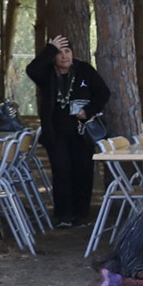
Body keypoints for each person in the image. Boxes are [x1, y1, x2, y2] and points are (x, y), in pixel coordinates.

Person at [24, 34, 112, 227]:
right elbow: (31, 70)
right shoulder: (47, 74)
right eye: (59, 53)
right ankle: (63, 215)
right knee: (61, 172)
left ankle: (81, 215)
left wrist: (88, 111)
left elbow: (103, 92)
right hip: (56, 134)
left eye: (67, 51)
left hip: (82, 132)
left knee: (83, 171)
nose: (64, 56)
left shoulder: (84, 70)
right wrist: (49, 49)